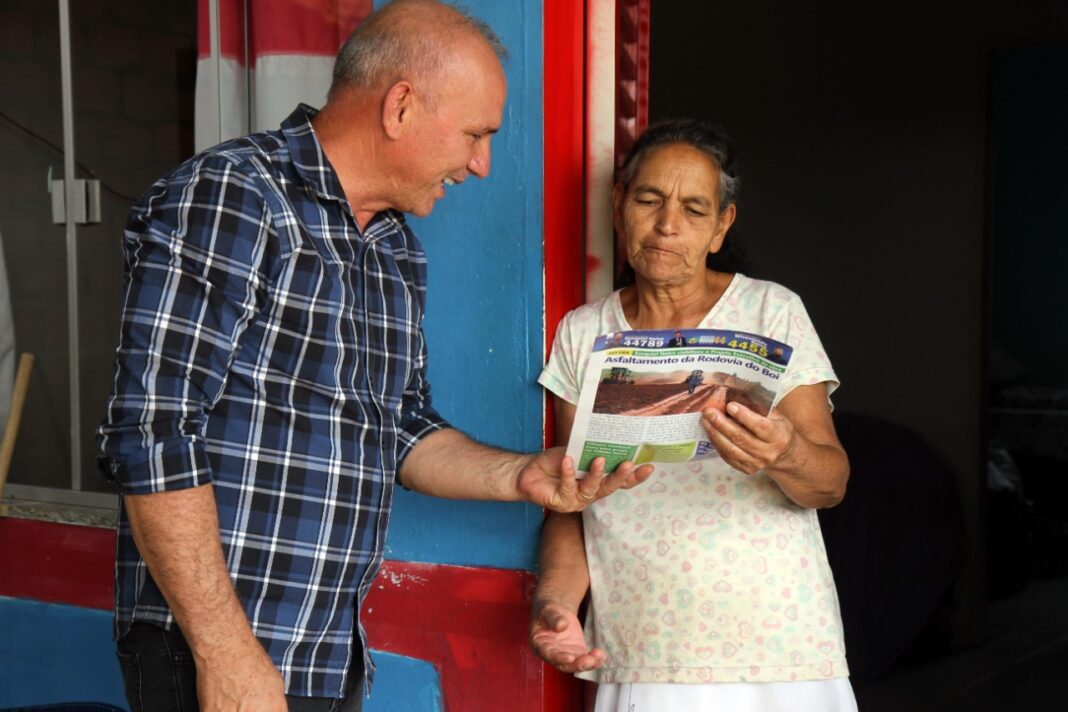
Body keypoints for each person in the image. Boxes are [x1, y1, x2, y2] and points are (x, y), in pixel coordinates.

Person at [96, 2, 650, 711]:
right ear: (401, 107)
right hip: (215, 654)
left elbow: (400, 431)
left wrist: (522, 476)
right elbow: (153, 434)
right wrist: (226, 651)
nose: (480, 165)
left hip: (324, 655)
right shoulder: (235, 197)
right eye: (475, 135)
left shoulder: (391, 250)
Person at [530, 118, 858, 712]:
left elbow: (830, 483)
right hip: (644, 647)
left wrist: (784, 454)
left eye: (694, 209)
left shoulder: (771, 312)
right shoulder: (583, 333)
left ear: (721, 226)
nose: (667, 226)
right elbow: (570, 496)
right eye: (649, 200)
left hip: (780, 650)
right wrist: (555, 604)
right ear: (619, 203)